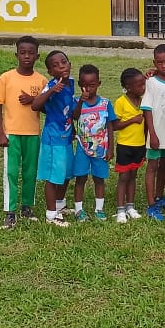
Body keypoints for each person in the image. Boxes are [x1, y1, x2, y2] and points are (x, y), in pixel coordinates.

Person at [0, 35, 48, 230]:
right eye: (22, 53)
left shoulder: (41, 80)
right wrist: (0, 133)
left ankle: (27, 207)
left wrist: (33, 99)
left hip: (33, 133)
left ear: (37, 56)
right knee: (11, 173)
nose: (27, 56)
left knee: (31, 171)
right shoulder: (6, 78)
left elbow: (47, 107)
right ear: (16, 55)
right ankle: (10, 212)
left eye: (31, 53)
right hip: (12, 133)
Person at [31, 50, 76, 228]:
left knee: (66, 173)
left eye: (64, 62)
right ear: (50, 71)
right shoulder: (52, 84)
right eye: (56, 65)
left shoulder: (70, 82)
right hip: (53, 138)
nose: (61, 67)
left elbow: (66, 109)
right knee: (53, 176)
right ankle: (51, 215)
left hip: (66, 137)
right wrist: (51, 90)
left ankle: (59, 204)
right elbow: (36, 105)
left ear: (69, 64)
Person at [71, 64, 116, 222]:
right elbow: (74, 117)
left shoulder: (105, 103)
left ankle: (99, 209)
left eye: (92, 85)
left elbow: (110, 126)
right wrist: (80, 102)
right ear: (79, 84)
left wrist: (111, 148)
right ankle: (78, 210)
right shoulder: (76, 101)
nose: (88, 88)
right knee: (80, 178)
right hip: (82, 148)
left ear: (99, 84)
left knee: (99, 178)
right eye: (84, 85)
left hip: (101, 148)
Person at [142, 44, 165, 221]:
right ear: (154, 63)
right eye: (160, 62)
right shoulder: (151, 82)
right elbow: (147, 109)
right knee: (153, 166)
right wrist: (152, 134)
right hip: (156, 134)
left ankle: (159, 196)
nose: (164, 65)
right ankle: (151, 204)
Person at [113, 68, 148, 223]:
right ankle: (120, 209)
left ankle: (130, 206)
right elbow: (115, 125)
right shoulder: (121, 102)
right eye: (139, 85)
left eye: (144, 84)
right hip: (125, 145)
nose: (143, 88)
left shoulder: (144, 101)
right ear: (128, 87)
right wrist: (132, 120)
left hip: (139, 144)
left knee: (133, 175)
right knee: (124, 176)